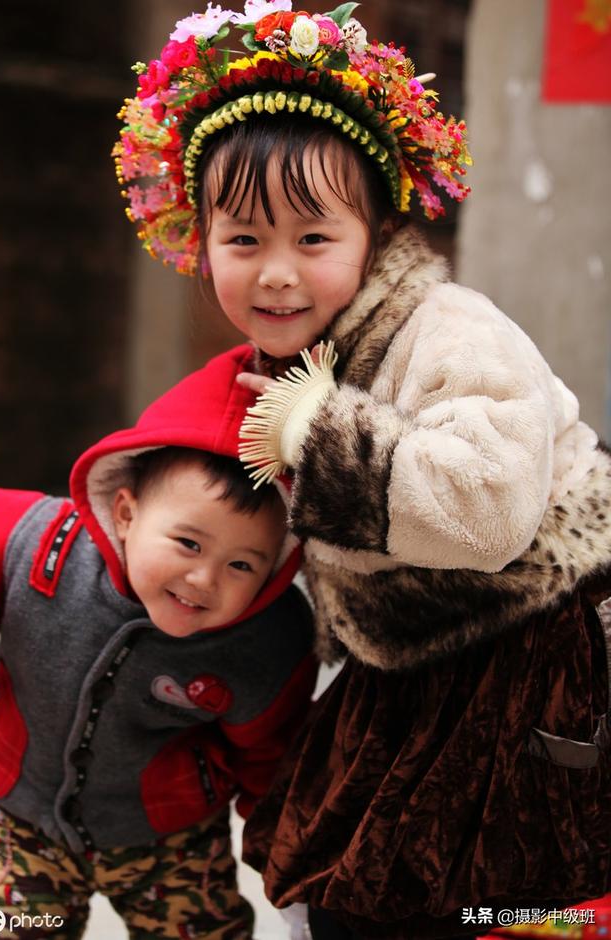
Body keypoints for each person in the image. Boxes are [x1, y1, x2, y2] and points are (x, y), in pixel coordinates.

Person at [114, 3, 611, 938]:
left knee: (483, 898)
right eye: (243, 240)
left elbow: (493, 505)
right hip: (408, 659)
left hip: (528, 647)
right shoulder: (299, 361)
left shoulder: (451, 328)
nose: (274, 274)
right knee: (340, 886)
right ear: (202, 241)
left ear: (375, 231)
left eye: (313, 239)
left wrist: (325, 437)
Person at [0, 347, 316, 940]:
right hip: (24, 815)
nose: (203, 580)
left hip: (173, 837)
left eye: (241, 564)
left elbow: (272, 753)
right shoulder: (44, 548)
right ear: (126, 513)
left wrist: (278, 845)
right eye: (187, 543)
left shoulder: (263, 642)